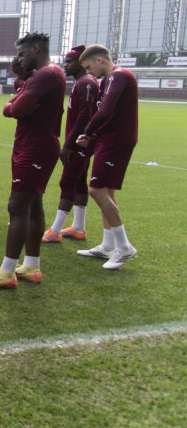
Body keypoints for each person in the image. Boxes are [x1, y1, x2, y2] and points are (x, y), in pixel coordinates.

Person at [0, 33, 66, 288]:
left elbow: (14, 110)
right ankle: (31, 265)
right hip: (33, 144)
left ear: (36, 49)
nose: (19, 60)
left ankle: (7, 272)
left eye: (22, 54)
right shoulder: (43, 75)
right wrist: (18, 92)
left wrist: (12, 105)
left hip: (36, 148)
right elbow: (18, 103)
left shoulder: (47, 74)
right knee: (33, 204)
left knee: (17, 206)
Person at [74, 45, 139, 270]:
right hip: (109, 140)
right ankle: (108, 245)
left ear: (100, 60)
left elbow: (106, 111)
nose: (89, 73)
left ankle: (124, 246)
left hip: (116, 141)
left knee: (96, 190)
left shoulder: (118, 76)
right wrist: (93, 137)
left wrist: (88, 132)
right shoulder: (111, 79)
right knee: (107, 191)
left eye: (89, 67)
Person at [43, 45, 99, 243]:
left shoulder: (86, 83)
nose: (65, 65)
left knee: (67, 182)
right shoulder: (83, 82)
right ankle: (78, 227)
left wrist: (69, 143)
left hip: (80, 143)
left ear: (81, 63)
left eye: (69, 61)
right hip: (82, 142)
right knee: (79, 181)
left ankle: (55, 230)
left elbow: (86, 115)